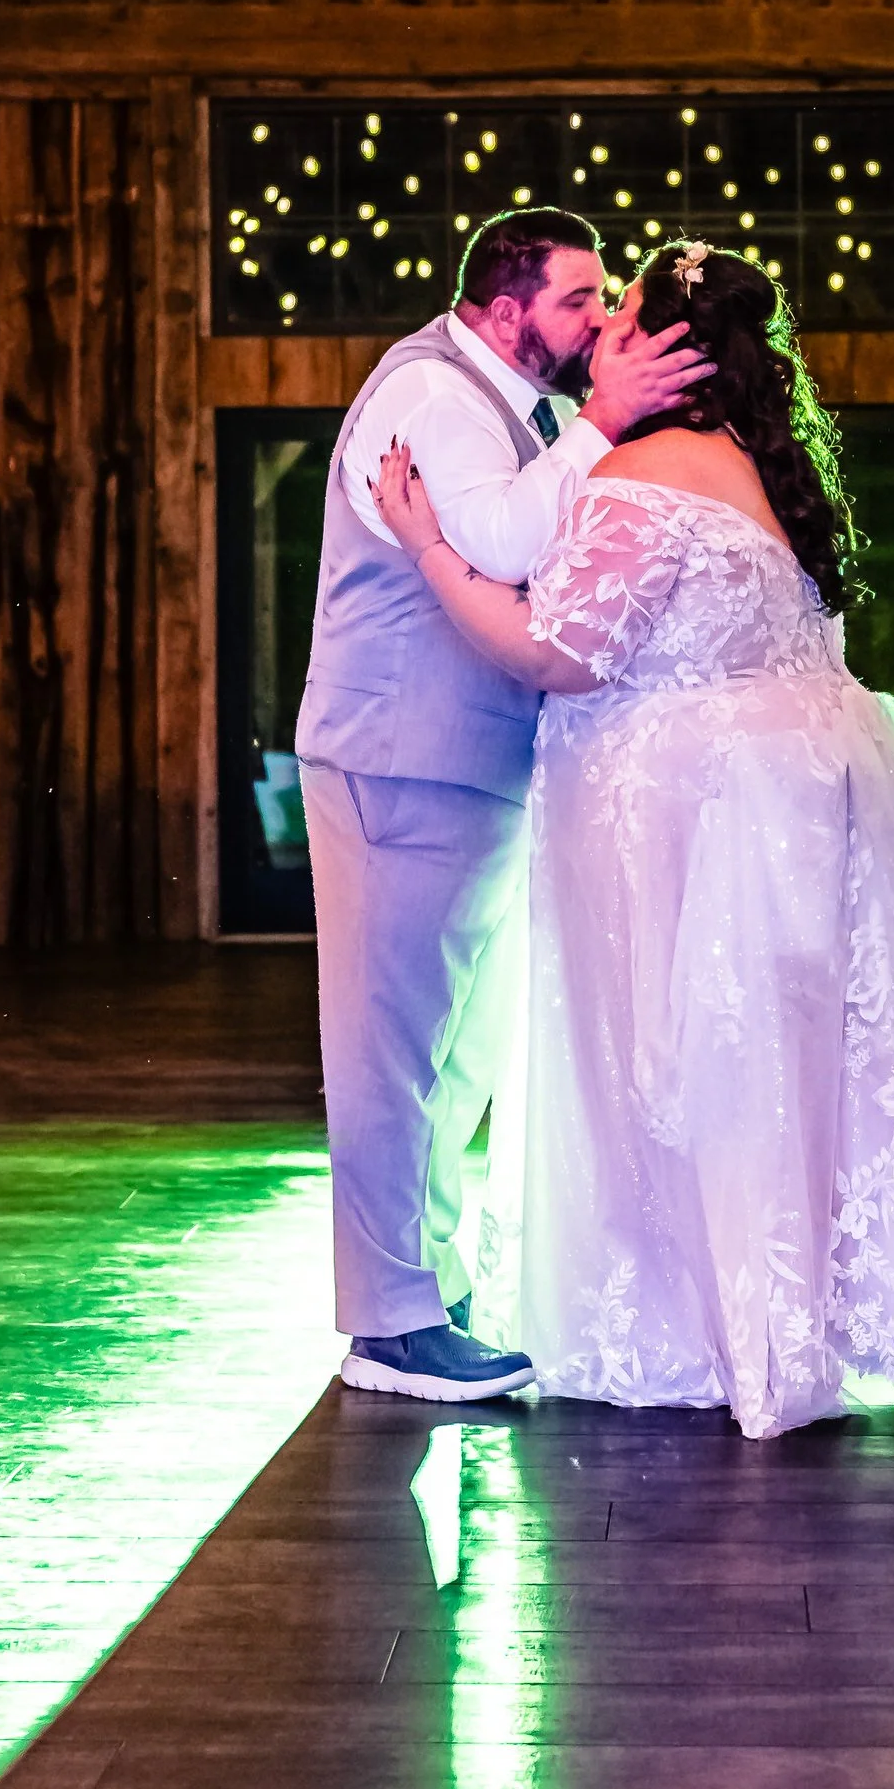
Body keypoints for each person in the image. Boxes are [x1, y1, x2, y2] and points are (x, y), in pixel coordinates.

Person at [371, 241, 894, 1440]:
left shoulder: (642, 475)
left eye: (618, 316)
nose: (598, 334)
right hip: (795, 794)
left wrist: (428, 546)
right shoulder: (759, 466)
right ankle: (779, 1326)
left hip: (689, 816)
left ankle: (703, 1332)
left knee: (686, 1066)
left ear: (667, 350)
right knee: (779, 1069)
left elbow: (553, 653)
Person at [295, 206, 710, 1404]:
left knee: (454, 1059)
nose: (599, 318)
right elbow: (498, 541)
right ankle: (388, 1328)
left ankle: (430, 1288)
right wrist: (603, 423)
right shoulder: (435, 393)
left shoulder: (504, 404)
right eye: (580, 299)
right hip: (397, 761)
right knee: (389, 1056)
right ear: (502, 308)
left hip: (459, 764)